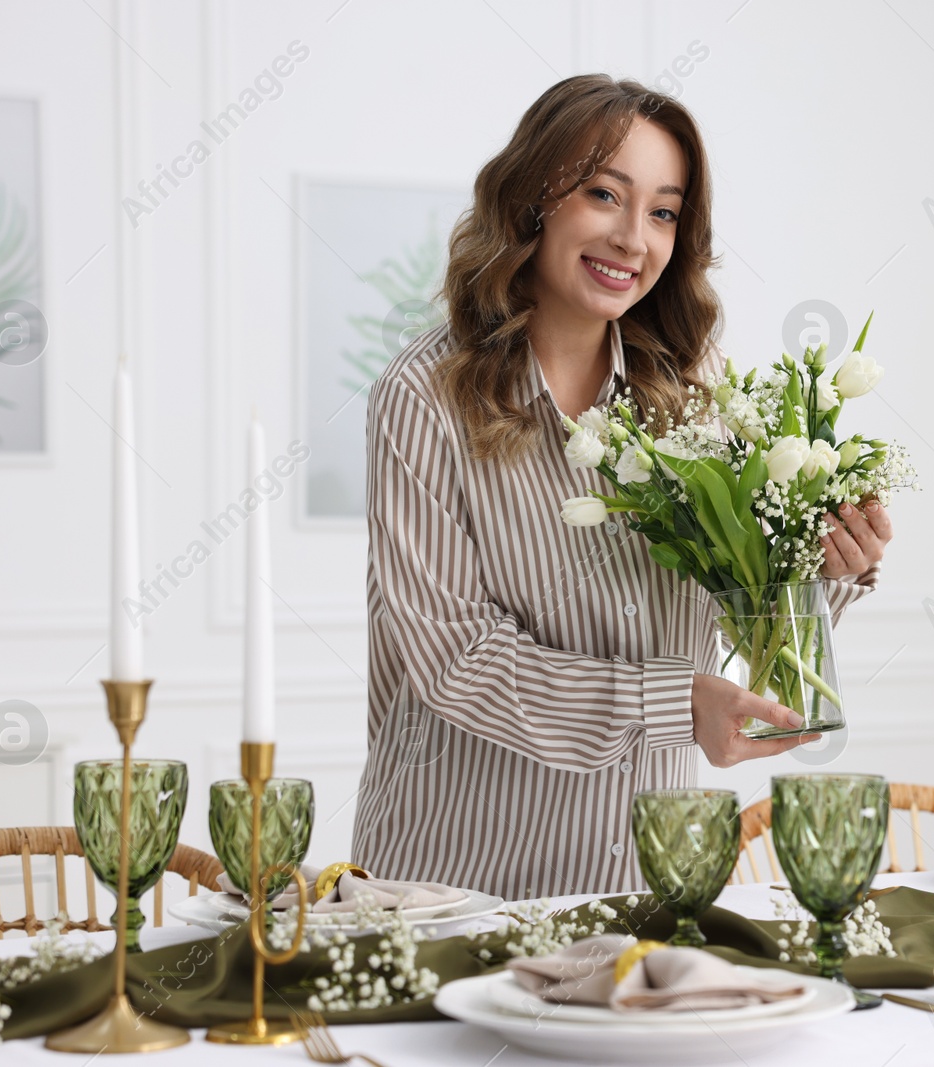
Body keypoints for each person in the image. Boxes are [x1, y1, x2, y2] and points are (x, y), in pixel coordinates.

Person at [349, 75, 894, 899]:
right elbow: (456, 656)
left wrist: (823, 572)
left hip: (646, 886)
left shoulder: (693, 407)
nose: (634, 238)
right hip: (452, 895)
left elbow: (740, 618)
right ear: (533, 199)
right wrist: (674, 703)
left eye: (665, 211)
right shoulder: (425, 395)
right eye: (605, 194)